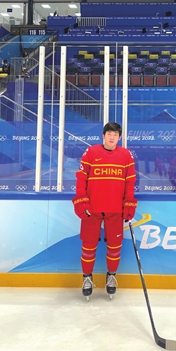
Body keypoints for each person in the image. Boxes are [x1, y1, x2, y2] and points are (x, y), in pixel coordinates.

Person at [72, 122, 137, 300]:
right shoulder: (91, 152)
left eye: (115, 134)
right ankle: (87, 278)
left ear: (120, 137)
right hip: (91, 209)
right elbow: (81, 179)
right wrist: (82, 200)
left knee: (115, 247)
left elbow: (130, 182)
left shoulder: (126, 155)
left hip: (115, 209)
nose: (112, 137)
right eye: (109, 133)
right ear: (103, 135)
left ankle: (111, 276)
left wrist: (129, 203)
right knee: (88, 246)